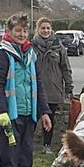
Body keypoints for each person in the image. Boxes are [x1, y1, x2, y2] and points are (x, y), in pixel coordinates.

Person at [0, 15, 53, 167]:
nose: (22, 34)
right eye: (18, 31)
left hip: (29, 114)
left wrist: (44, 112)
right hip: (9, 117)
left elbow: (38, 84)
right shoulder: (1, 55)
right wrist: (2, 113)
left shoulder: (30, 54)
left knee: (25, 158)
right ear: (8, 32)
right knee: (8, 159)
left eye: (25, 31)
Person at [30, 17, 72, 154]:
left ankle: (46, 145)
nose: (46, 30)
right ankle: (27, 144)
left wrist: (68, 88)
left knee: (50, 118)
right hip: (35, 89)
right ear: (38, 29)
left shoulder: (59, 48)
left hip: (53, 89)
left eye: (48, 28)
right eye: (43, 28)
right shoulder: (31, 47)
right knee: (32, 118)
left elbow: (66, 68)